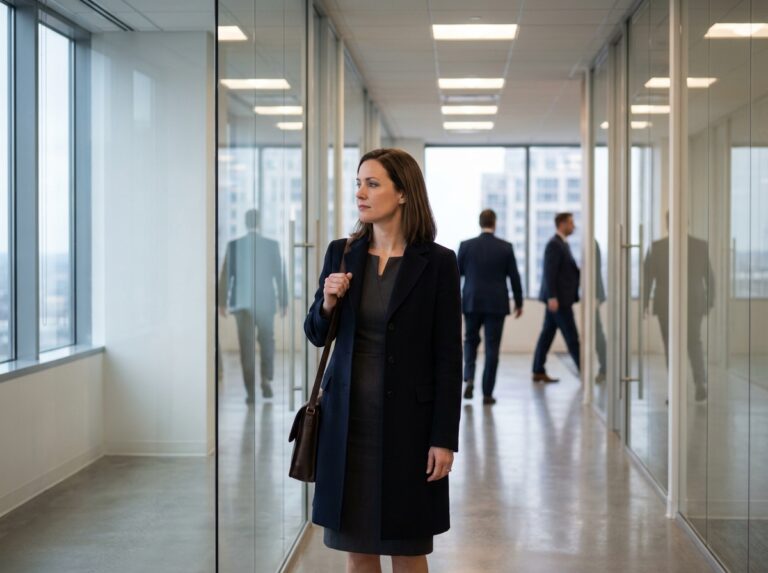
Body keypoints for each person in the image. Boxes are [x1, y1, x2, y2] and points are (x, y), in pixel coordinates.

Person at [304, 148, 462, 573]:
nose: (361, 193)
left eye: (372, 184)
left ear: (404, 193)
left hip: (410, 427)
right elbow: (317, 334)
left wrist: (444, 438)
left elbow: (450, 357)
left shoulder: (438, 263)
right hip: (347, 424)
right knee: (358, 548)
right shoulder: (342, 253)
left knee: (408, 549)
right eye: (358, 183)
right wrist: (327, 301)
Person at [218, 209, 287, 403]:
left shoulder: (234, 246)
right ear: (260, 222)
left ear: (245, 222)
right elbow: (279, 275)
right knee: (267, 342)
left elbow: (225, 275)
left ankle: (250, 391)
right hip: (265, 304)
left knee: (246, 347)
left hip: (241, 305)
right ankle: (266, 379)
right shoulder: (271, 245)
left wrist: (222, 302)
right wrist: (284, 301)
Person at [458, 209, 523, 405]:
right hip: (496, 304)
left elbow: (455, 275)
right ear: (494, 223)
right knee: (492, 348)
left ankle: (469, 377)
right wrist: (519, 302)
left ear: (480, 223)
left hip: (471, 302)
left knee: (470, 341)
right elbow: (514, 277)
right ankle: (487, 393)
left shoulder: (466, 246)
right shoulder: (505, 247)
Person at [643, 224, 714, 402]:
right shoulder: (700, 245)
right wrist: (709, 302)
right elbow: (710, 278)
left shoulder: (657, 247)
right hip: (694, 302)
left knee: (671, 346)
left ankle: (675, 388)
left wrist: (644, 302)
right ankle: (700, 382)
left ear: (667, 224)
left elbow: (647, 278)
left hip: (666, 303)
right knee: (694, 342)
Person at [532, 212, 581, 383]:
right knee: (572, 338)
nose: (573, 226)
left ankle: (538, 370)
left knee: (547, 335)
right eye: (571, 223)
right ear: (561, 224)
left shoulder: (562, 244)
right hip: (559, 301)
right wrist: (552, 297)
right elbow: (549, 272)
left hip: (559, 299)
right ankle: (585, 371)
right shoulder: (554, 245)